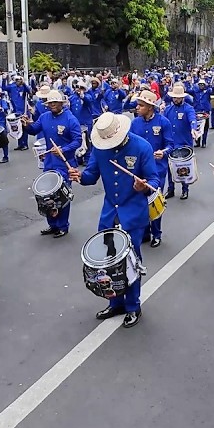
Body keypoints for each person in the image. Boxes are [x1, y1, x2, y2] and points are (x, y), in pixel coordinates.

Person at [69, 112, 160, 328]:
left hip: (133, 213)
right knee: (109, 263)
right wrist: (80, 177)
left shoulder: (142, 147)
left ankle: (133, 306)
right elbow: (91, 175)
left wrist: (144, 186)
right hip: (110, 213)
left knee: (131, 262)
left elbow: (154, 180)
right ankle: (115, 302)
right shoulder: (100, 149)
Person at [26, 90, 82, 238]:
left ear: (61, 103)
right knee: (47, 195)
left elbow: (78, 141)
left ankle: (63, 226)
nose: (52, 105)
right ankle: (52, 224)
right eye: (50, 103)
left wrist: (64, 149)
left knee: (62, 196)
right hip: (49, 163)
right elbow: (33, 130)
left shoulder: (71, 119)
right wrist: (26, 124)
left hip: (65, 164)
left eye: (55, 102)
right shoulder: (44, 117)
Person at [129, 90, 172, 248]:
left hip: (157, 169)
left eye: (141, 105)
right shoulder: (134, 123)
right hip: (138, 169)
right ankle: (145, 232)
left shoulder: (163, 122)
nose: (137, 108)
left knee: (154, 200)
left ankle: (157, 233)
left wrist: (163, 152)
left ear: (150, 107)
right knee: (140, 201)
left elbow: (170, 145)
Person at [163, 83, 199, 199]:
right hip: (170, 143)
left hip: (183, 143)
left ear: (183, 97)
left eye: (178, 97)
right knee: (170, 167)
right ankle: (171, 189)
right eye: (174, 97)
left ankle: (185, 189)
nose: (175, 99)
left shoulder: (188, 109)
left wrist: (193, 129)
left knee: (183, 168)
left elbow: (192, 120)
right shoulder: (168, 109)